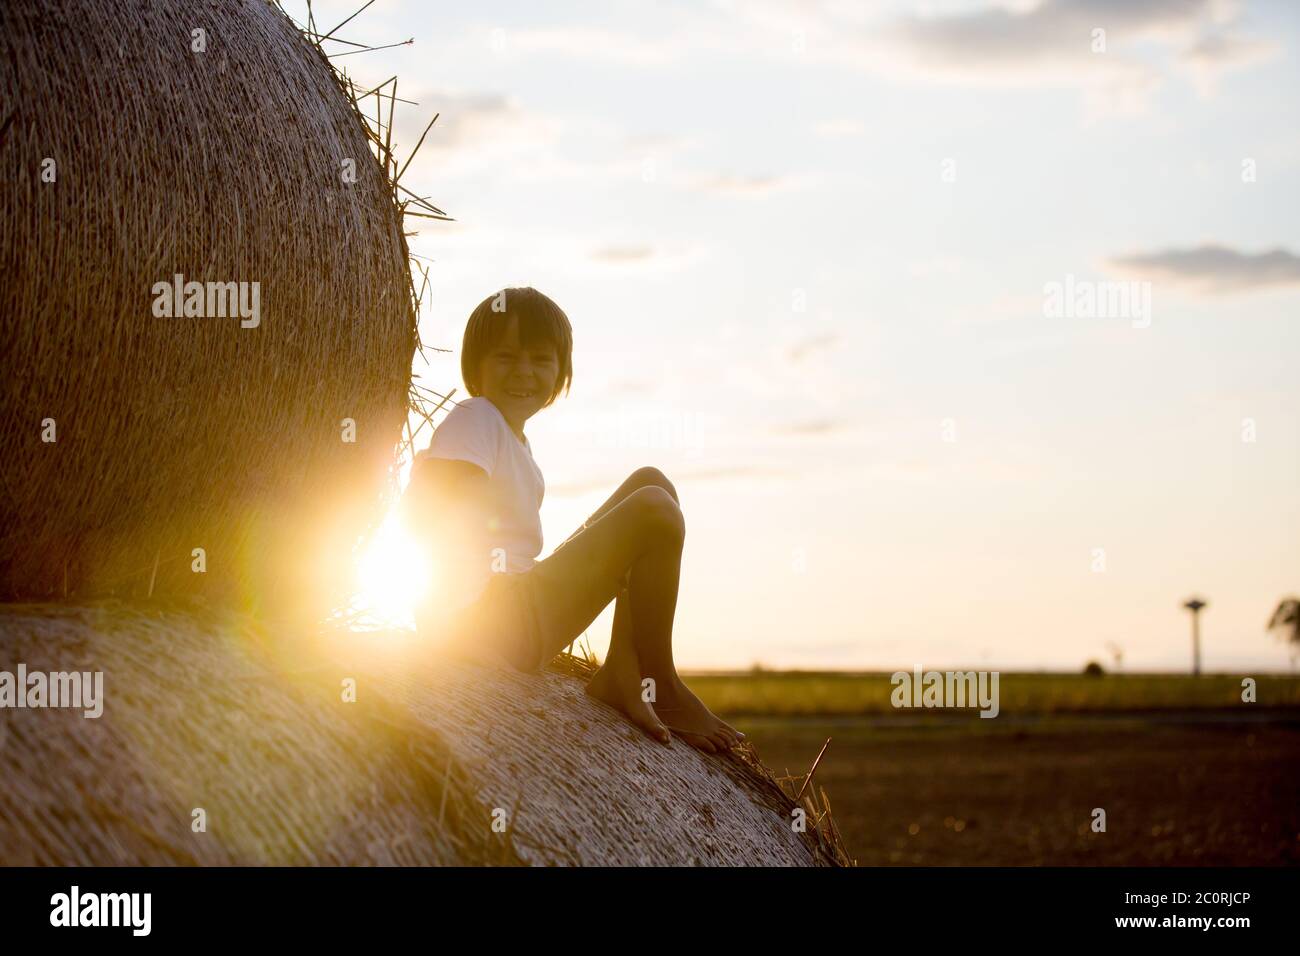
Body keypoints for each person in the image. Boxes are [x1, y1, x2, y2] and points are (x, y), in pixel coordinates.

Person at [406, 287, 743, 754]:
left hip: (507, 611)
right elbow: (433, 506)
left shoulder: (513, 441)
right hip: (482, 619)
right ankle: (660, 683)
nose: (523, 372)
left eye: (540, 360)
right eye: (505, 357)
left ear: (561, 373)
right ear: (475, 367)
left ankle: (624, 669)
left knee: (652, 483)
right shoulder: (475, 417)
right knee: (655, 512)